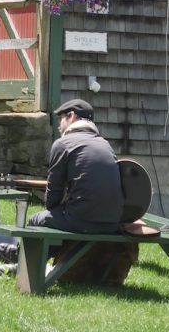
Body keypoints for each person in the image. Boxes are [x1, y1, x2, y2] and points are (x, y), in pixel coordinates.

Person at [27, 98, 123, 233]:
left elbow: (53, 197)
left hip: (82, 221)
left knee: (35, 219)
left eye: (60, 119)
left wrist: (55, 208)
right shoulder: (105, 144)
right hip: (112, 223)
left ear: (71, 116)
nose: (59, 127)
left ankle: (24, 249)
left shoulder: (63, 144)